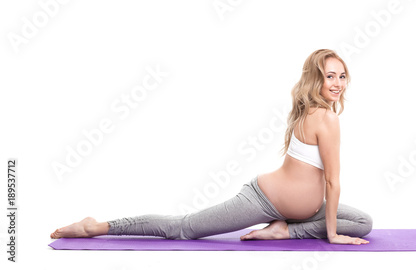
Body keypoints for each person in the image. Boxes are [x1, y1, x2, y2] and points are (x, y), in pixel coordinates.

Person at [50, 49, 372, 245]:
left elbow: (325, 182)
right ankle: (98, 226)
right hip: (263, 199)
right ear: (315, 79)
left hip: (300, 211)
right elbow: (331, 181)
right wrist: (331, 235)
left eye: (342, 76)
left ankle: (283, 230)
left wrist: (310, 225)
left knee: (362, 222)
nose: (338, 83)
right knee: (184, 228)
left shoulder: (316, 112)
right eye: (330, 76)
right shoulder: (325, 118)